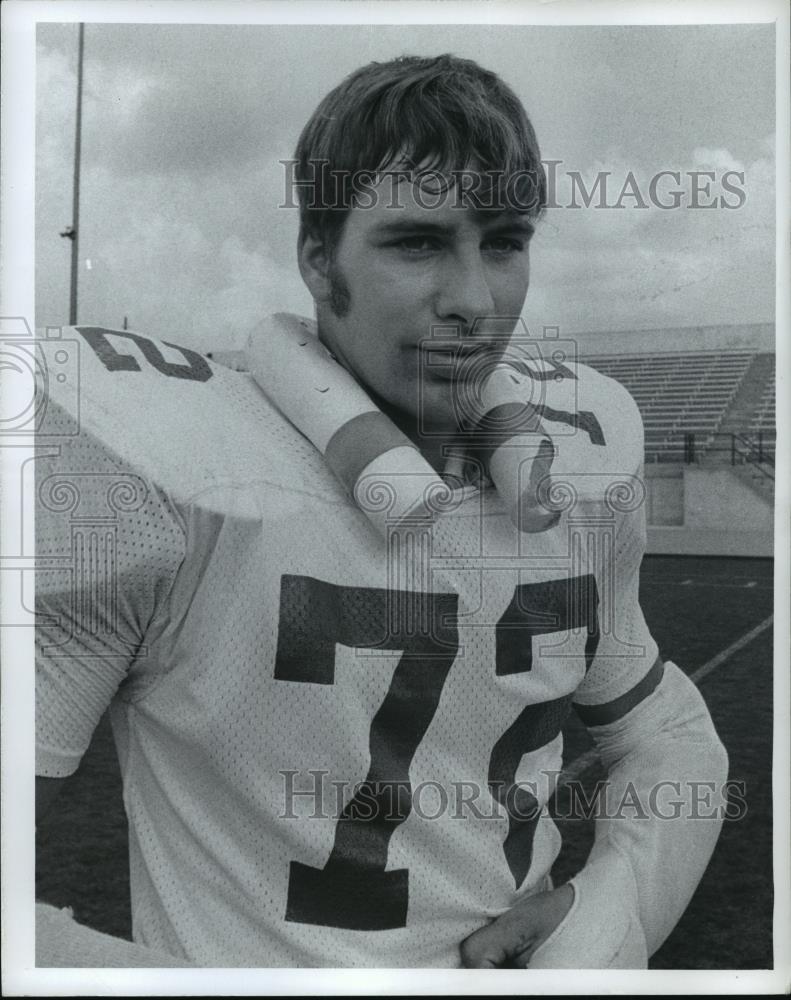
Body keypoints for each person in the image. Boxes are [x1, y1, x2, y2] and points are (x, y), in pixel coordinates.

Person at [35, 53, 728, 968]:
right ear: (319, 262)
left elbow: (667, 732)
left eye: (505, 241)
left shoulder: (577, 470)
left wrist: (609, 907)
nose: (474, 302)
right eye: (418, 242)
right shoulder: (167, 478)